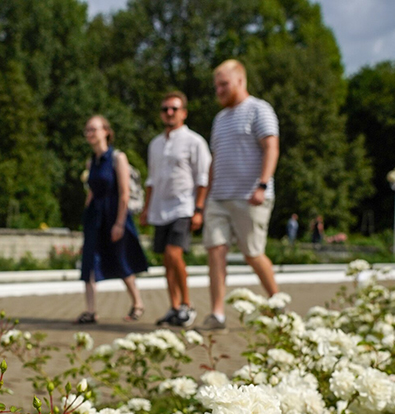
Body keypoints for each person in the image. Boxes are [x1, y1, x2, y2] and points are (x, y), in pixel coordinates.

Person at [201, 59, 280, 330]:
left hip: (250, 196)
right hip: (218, 198)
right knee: (215, 251)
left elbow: (271, 147)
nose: (219, 91)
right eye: (216, 87)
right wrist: (205, 197)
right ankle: (217, 314)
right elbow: (216, 159)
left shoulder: (259, 110)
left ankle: (278, 304)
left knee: (253, 253)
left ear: (240, 81)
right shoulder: (219, 119)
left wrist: (262, 185)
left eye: (224, 85)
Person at [141, 90, 210, 328]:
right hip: (160, 209)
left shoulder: (194, 141)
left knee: (174, 253)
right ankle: (174, 306)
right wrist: (145, 209)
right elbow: (151, 180)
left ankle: (187, 306)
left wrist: (199, 209)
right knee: (166, 261)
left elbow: (203, 178)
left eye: (174, 109)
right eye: (165, 109)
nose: (169, 113)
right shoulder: (156, 144)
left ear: (184, 113)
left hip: (184, 206)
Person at [78, 114, 148, 324]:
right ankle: (90, 311)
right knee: (89, 262)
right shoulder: (91, 162)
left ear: (106, 132)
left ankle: (138, 303)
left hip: (114, 214)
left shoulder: (118, 158)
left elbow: (124, 192)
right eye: (87, 130)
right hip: (95, 217)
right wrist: (85, 217)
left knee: (121, 258)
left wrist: (119, 223)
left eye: (94, 129)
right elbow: (92, 191)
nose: (90, 133)